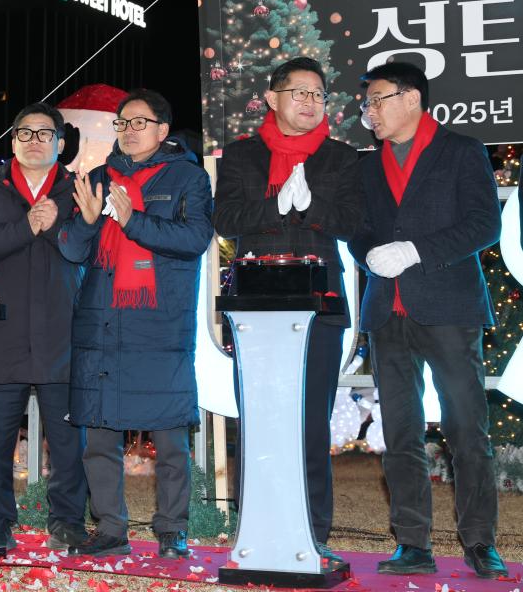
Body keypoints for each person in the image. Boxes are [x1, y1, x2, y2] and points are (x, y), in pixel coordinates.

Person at [348, 62, 505, 578]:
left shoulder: (462, 150)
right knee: (400, 431)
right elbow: (361, 229)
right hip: (385, 313)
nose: (369, 113)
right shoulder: (367, 165)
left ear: (410, 98)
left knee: (467, 430)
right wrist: (372, 251)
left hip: (449, 309)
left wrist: (416, 251)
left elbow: (484, 225)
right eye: (366, 104)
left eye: (376, 100)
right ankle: (412, 542)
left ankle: (480, 542)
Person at [212, 57, 360, 567]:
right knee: (258, 419)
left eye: (319, 95)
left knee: (310, 423)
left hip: (320, 305)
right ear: (272, 97)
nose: (310, 102)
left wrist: (310, 205)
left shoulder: (341, 158)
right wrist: (276, 206)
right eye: (300, 92)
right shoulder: (240, 155)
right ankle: (254, 528)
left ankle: (312, 534)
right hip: (255, 306)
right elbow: (226, 218)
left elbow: (352, 222)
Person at [59, 89, 213, 558]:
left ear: (163, 130)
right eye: (122, 123)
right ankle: (110, 529)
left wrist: (133, 221)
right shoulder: (99, 177)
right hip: (102, 323)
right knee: (98, 436)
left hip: (159, 324)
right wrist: (87, 222)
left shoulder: (188, 177)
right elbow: (70, 249)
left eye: (139, 123)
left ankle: (172, 531)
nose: (127, 131)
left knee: (169, 438)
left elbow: (196, 238)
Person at [0, 102, 88, 552]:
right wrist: (26, 225)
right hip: (5, 333)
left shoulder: (79, 192)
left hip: (62, 332)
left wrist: (52, 227)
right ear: (12, 141)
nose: (35, 141)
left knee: (68, 440)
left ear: (60, 142)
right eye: (25, 133)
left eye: (44, 133)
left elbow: (85, 248)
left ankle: (68, 521)